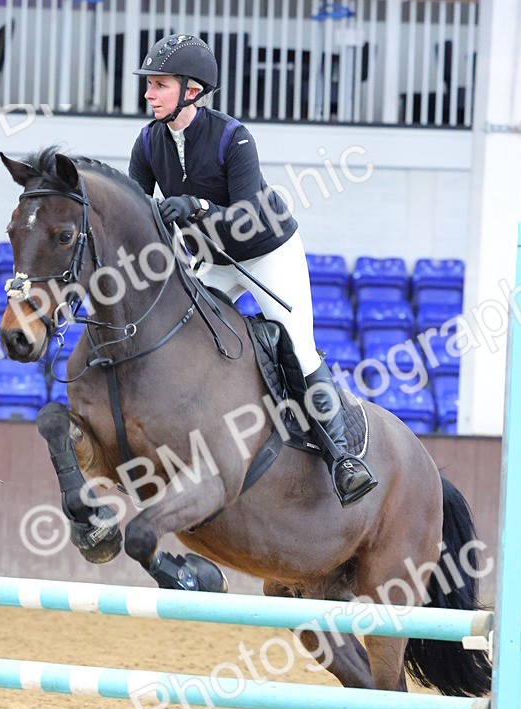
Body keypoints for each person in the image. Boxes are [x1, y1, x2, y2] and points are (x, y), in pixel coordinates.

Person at [128, 33, 376, 506]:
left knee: (298, 349)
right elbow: (140, 213)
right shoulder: (147, 141)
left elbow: (245, 217)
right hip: (213, 260)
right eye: (150, 85)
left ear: (191, 91)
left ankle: (343, 459)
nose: (148, 94)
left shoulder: (232, 136)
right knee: (182, 336)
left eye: (158, 85)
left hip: (266, 251)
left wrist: (195, 206)